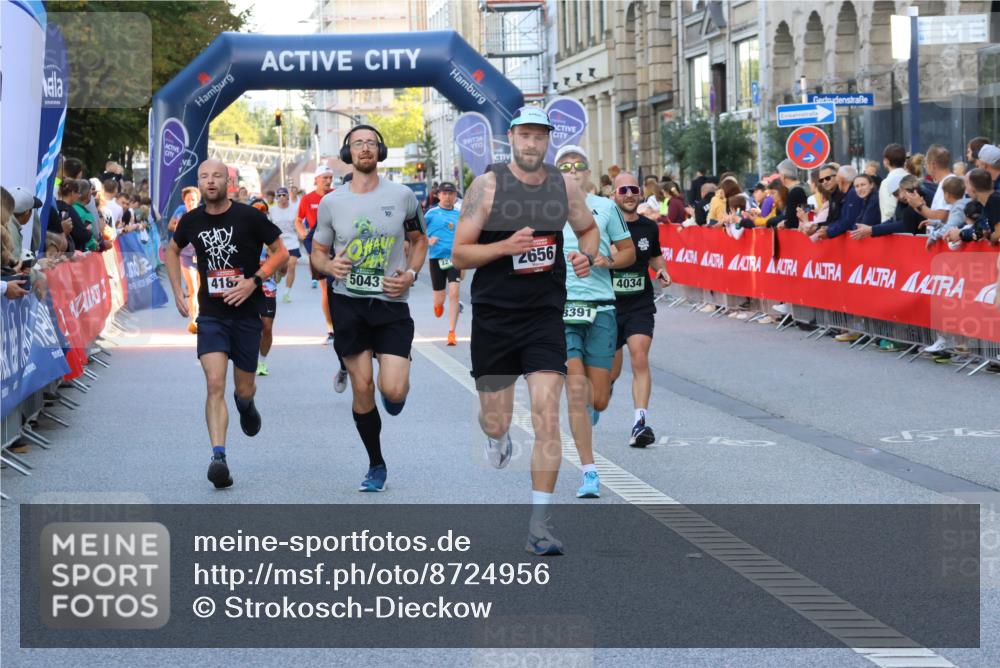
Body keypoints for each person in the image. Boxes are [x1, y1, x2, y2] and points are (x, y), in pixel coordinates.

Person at [451, 106, 599, 556]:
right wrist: (504, 247)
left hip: (544, 316)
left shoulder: (563, 185)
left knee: (545, 416)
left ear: (548, 140)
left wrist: (585, 255)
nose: (532, 144)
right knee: (494, 417)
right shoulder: (488, 186)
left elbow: (588, 230)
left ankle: (539, 523)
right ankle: (497, 437)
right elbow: (459, 254)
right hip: (495, 316)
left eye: (540, 136)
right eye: (525, 135)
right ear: (511, 137)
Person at [311, 124, 428, 493]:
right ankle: (376, 464)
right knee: (362, 386)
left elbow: (419, 239)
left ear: (381, 151)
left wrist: (410, 273)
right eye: (357, 143)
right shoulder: (332, 202)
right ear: (348, 152)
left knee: (392, 392)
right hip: (348, 304)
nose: (365, 148)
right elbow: (317, 254)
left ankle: (395, 389)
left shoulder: (404, 195)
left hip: (391, 303)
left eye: (371, 143)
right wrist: (329, 267)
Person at [165, 159, 288, 489]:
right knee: (214, 383)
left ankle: (246, 405)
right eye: (204, 177)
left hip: (247, 315)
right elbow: (171, 251)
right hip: (212, 316)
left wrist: (254, 280)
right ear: (200, 183)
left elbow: (281, 252)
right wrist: (178, 290)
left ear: (228, 182)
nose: (210, 181)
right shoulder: (191, 220)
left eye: (216, 176)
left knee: (242, 389)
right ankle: (218, 457)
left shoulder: (249, 216)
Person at [555, 145, 635, 499]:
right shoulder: (544, 209)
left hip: (601, 306)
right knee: (576, 390)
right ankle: (589, 472)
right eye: (565, 166)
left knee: (598, 397)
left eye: (579, 166)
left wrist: (607, 262)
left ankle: (595, 405)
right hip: (562, 307)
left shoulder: (605, 208)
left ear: (588, 172)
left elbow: (628, 252)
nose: (572, 171)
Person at [608, 172, 671, 448]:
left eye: (634, 189)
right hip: (608, 305)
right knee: (608, 373)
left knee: (640, 357)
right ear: (614, 195)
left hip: (639, 304)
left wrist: (662, 270)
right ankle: (600, 393)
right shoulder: (604, 226)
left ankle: (640, 423)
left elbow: (655, 255)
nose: (629, 194)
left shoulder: (649, 227)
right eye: (623, 190)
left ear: (640, 193)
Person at [296, 167, 335, 341]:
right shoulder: (307, 199)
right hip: (316, 242)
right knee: (325, 288)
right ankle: (331, 328)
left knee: (340, 284)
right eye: (325, 177)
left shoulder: (337, 195)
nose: (328, 181)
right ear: (316, 179)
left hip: (336, 241)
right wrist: (302, 232)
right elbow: (298, 220)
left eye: (330, 177)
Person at [425, 181, 463, 345]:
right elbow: (416, 234)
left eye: (451, 194)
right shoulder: (431, 214)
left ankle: (451, 332)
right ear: (438, 195)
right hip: (437, 259)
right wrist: (428, 240)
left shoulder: (460, 213)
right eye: (444, 193)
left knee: (454, 293)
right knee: (439, 299)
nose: (447, 197)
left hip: (453, 258)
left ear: (455, 196)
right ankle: (438, 305)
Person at [249, 198, 279, 376]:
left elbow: (282, 268)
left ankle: (262, 362)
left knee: (266, 327)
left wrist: (277, 261)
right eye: (255, 209)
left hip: (267, 286)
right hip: (245, 286)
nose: (259, 212)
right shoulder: (240, 231)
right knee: (250, 326)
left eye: (263, 210)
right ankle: (247, 358)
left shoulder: (272, 235)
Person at [170, 187, 203, 334]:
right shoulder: (180, 212)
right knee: (193, 289)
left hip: (202, 255)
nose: (191, 202)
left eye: (193, 199)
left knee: (203, 288)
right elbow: (170, 225)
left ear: (198, 200)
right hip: (186, 255)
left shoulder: (204, 213)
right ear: (184, 201)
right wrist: (178, 227)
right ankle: (194, 319)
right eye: (188, 200)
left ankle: (204, 316)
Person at [270, 187, 299, 302]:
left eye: (284, 195)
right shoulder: (272, 210)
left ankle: (287, 293)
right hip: (278, 243)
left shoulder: (294, 210)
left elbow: (298, 224)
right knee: (282, 270)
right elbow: (267, 226)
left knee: (292, 264)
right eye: (279, 195)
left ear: (288, 196)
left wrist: (302, 233)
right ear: (277, 198)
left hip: (292, 241)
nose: (282, 197)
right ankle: (279, 273)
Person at [879, 143, 908, 222]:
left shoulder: (886, 183)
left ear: (886, 161)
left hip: (893, 231)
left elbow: (888, 213)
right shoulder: (912, 179)